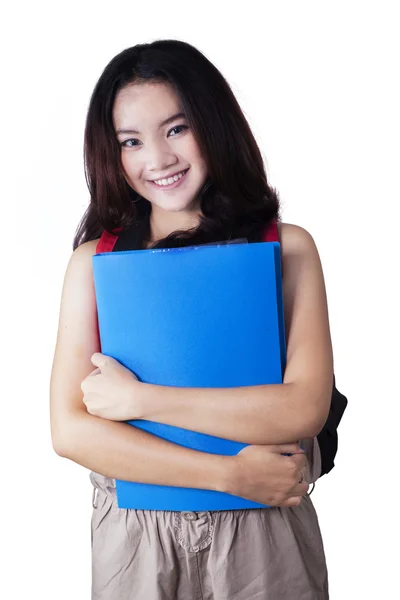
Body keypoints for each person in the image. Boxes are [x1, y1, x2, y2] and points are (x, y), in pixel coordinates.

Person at [50, 39, 346, 600]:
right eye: (131, 141)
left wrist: (142, 401)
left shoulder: (287, 250)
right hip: (139, 535)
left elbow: (303, 408)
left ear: (214, 125)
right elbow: (70, 431)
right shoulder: (95, 264)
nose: (157, 159)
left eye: (177, 129)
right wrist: (227, 474)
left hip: (264, 529)